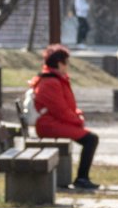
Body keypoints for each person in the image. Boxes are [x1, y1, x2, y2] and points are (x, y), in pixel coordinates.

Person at [30, 44, 100, 190]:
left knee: (90, 139)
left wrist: (77, 115)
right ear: (59, 63)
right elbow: (60, 110)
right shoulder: (51, 82)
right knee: (91, 139)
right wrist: (77, 121)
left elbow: (67, 107)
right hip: (49, 125)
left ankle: (82, 178)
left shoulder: (55, 79)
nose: (68, 65)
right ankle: (82, 178)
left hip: (54, 122)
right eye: (66, 62)